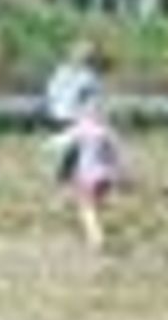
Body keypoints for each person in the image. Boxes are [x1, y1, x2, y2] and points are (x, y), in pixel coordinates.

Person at [49, 96, 124, 254]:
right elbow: (117, 154)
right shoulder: (107, 132)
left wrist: (48, 144)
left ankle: (96, 238)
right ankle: (95, 229)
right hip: (106, 177)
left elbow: (61, 141)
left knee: (86, 210)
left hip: (88, 176)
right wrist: (119, 175)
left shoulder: (82, 129)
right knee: (92, 205)